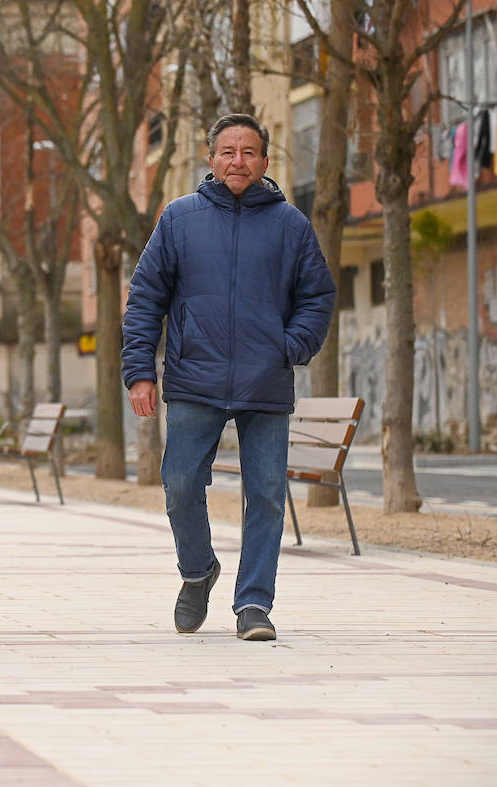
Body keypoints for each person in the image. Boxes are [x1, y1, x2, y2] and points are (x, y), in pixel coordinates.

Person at [121, 113, 335, 642]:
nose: (238, 161)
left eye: (249, 152)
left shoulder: (292, 225)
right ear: (211, 158)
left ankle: (254, 605)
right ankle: (198, 573)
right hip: (195, 377)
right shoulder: (178, 218)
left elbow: (318, 298)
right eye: (228, 152)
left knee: (264, 494)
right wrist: (139, 373)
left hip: (266, 381)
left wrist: (287, 348)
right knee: (180, 485)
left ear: (265, 161)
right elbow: (146, 298)